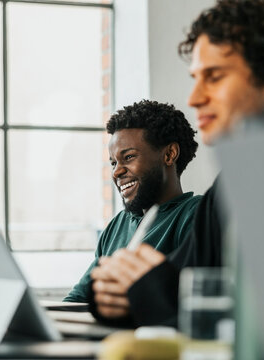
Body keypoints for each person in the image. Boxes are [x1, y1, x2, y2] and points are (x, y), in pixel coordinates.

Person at [89, 0, 264, 326]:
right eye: (195, 78)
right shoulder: (232, 185)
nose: (194, 98)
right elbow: (181, 282)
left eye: (214, 77)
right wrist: (111, 293)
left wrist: (150, 290)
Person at [64, 99, 202, 303]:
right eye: (113, 162)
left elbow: (188, 299)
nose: (117, 171)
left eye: (128, 157)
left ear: (169, 154)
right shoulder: (117, 225)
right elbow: (79, 300)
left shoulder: (196, 215)